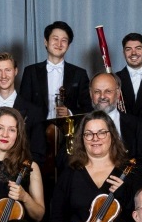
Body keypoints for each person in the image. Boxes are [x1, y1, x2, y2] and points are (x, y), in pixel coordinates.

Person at [20, 21, 90, 155]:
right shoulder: (31, 72)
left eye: (64, 40)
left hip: (69, 137)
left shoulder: (79, 74)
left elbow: (88, 108)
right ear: (45, 42)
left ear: (68, 46)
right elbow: (23, 107)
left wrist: (69, 112)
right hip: (36, 134)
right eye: (55, 39)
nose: (59, 44)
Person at [87, 71, 142, 171]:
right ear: (91, 94)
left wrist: (124, 180)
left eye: (108, 91)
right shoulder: (79, 124)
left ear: (118, 93)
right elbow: (64, 159)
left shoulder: (136, 125)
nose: (102, 96)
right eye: (97, 92)